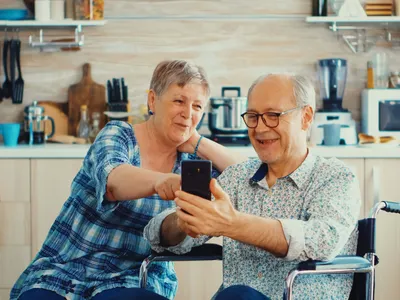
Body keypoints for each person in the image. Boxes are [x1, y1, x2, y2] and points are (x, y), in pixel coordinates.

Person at [10, 60, 245, 300]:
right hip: (65, 268)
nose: (188, 113)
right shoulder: (118, 134)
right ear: (152, 100)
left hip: (134, 277)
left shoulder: (193, 163)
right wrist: (162, 181)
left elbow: (246, 178)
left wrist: (199, 141)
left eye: (197, 106)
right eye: (179, 101)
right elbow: (114, 180)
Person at [144, 74, 361, 300]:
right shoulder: (237, 177)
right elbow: (155, 234)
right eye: (253, 116)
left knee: (238, 296)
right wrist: (183, 220)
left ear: (305, 118)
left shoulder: (336, 177)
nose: (260, 128)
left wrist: (232, 224)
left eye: (273, 116)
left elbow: (321, 241)